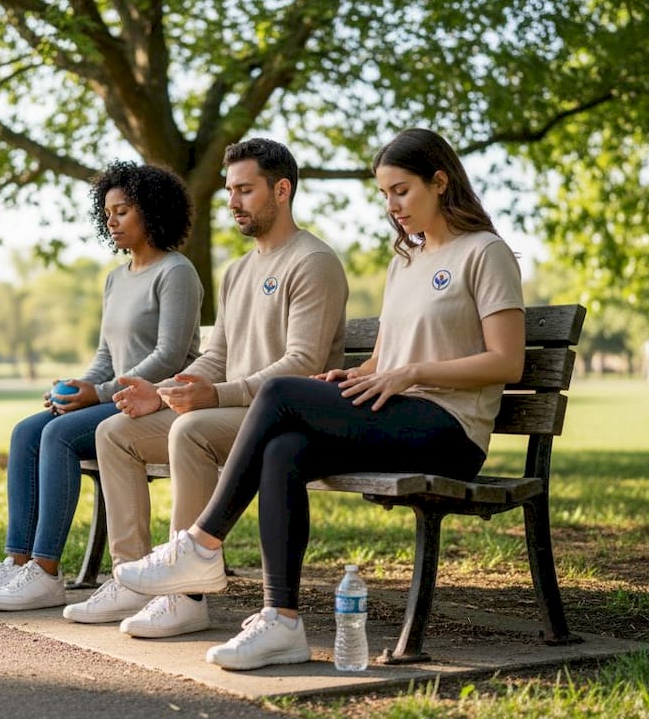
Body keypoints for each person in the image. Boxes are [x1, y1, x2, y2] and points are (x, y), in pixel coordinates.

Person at [112, 128, 526, 670]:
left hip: (449, 430)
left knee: (283, 390)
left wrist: (410, 373)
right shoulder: (406, 260)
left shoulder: (485, 253)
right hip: (395, 415)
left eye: (401, 191)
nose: (392, 206)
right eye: (384, 194)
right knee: (285, 449)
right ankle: (281, 621)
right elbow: (384, 358)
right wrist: (350, 376)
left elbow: (507, 361)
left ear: (440, 181)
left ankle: (201, 544)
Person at [61, 138, 349, 639]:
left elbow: (301, 364)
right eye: (229, 190)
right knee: (115, 432)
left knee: (190, 430)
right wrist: (166, 390)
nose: (233, 201)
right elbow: (216, 356)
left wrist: (212, 395)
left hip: (286, 417)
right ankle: (133, 580)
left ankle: (185, 596)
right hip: (234, 409)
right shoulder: (238, 272)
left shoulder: (313, 261)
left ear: (281, 190)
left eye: (245, 190)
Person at [0, 161, 204, 611]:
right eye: (107, 212)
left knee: (58, 435)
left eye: (123, 210)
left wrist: (100, 393)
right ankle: (18, 561)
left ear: (152, 211)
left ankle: (46, 572)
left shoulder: (177, 272)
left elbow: (169, 356)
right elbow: (106, 357)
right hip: (116, 397)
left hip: (155, 401)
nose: (112, 220)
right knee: (27, 430)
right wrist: (76, 386)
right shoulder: (115, 278)